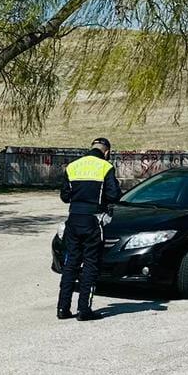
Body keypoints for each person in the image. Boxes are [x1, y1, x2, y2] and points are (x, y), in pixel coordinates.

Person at [57, 137, 122, 321]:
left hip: (73, 220)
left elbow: (64, 196)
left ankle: (63, 308)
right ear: (107, 152)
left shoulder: (73, 166)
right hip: (92, 220)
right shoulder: (105, 167)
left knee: (71, 264)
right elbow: (113, 194)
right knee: (91, 264)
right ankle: (84, 309)